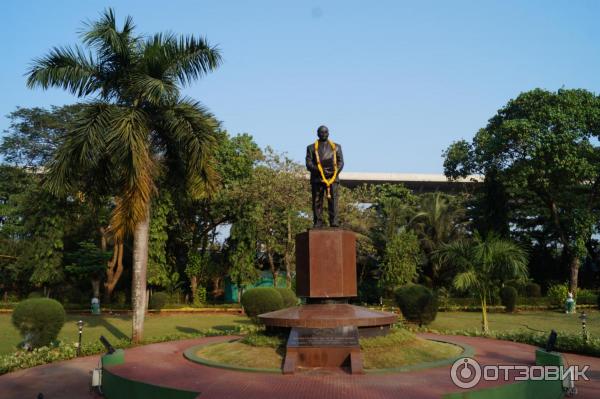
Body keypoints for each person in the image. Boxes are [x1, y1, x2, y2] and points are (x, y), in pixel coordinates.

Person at [305, 125, 344, 227]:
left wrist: (333, 172)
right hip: (317, 178)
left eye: (325, 132)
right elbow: (309, 164)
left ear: (328, 133)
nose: (323, 134)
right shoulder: (311, 148)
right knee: (317, 200)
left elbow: (341, 162)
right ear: (317, 134)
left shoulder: (336, 147)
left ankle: (334, 222)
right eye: (321, 132)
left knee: (333, 201)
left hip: (333, 177)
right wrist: (320, 171)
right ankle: (318, 222)